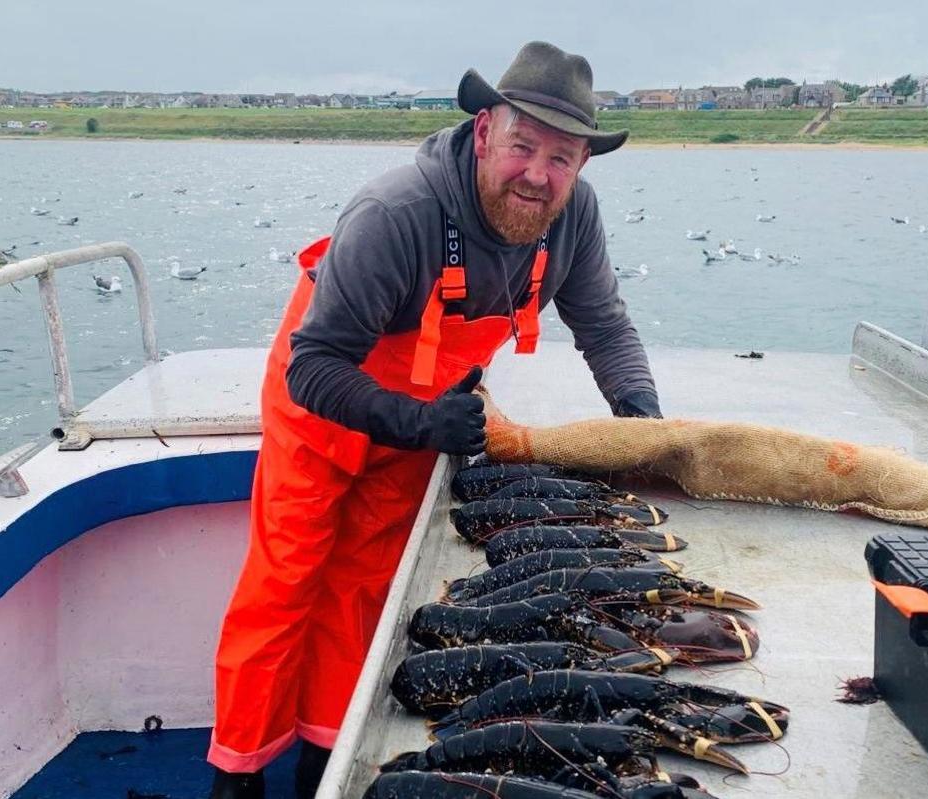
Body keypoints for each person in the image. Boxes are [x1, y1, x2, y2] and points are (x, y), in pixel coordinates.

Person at [207, 41, 661, 799]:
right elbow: (313, 366)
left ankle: (326, 760)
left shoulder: (573, 218)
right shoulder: (399, 214)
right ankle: (236, 772)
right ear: (484, 131)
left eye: (563, 158)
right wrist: (418, 422)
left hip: (426, 421)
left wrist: (645, 426)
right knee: (286, 581)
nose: (539, 176)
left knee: (364, 589)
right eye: (524, 146)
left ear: (583, 164)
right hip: (323, 410)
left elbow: (606, 326)